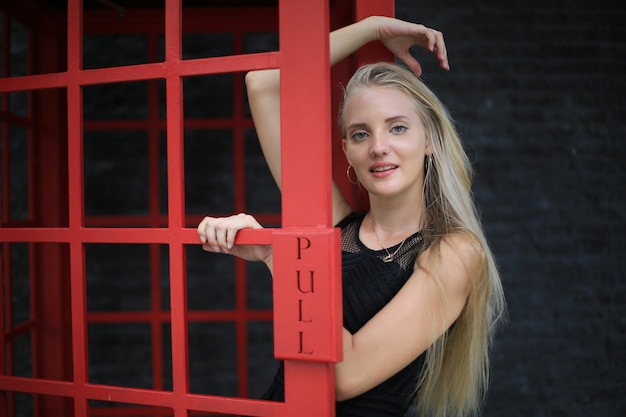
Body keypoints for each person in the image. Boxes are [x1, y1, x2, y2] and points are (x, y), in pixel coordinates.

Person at [198, 15, 506, 417]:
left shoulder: (454, 253)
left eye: (397, 128)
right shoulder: (338, 224)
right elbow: (262, 84)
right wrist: (373, 28)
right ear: (347, 150)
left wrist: (278, 257)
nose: (378, 147)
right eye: (361, 134)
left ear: (429, 139)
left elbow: (344, 377)